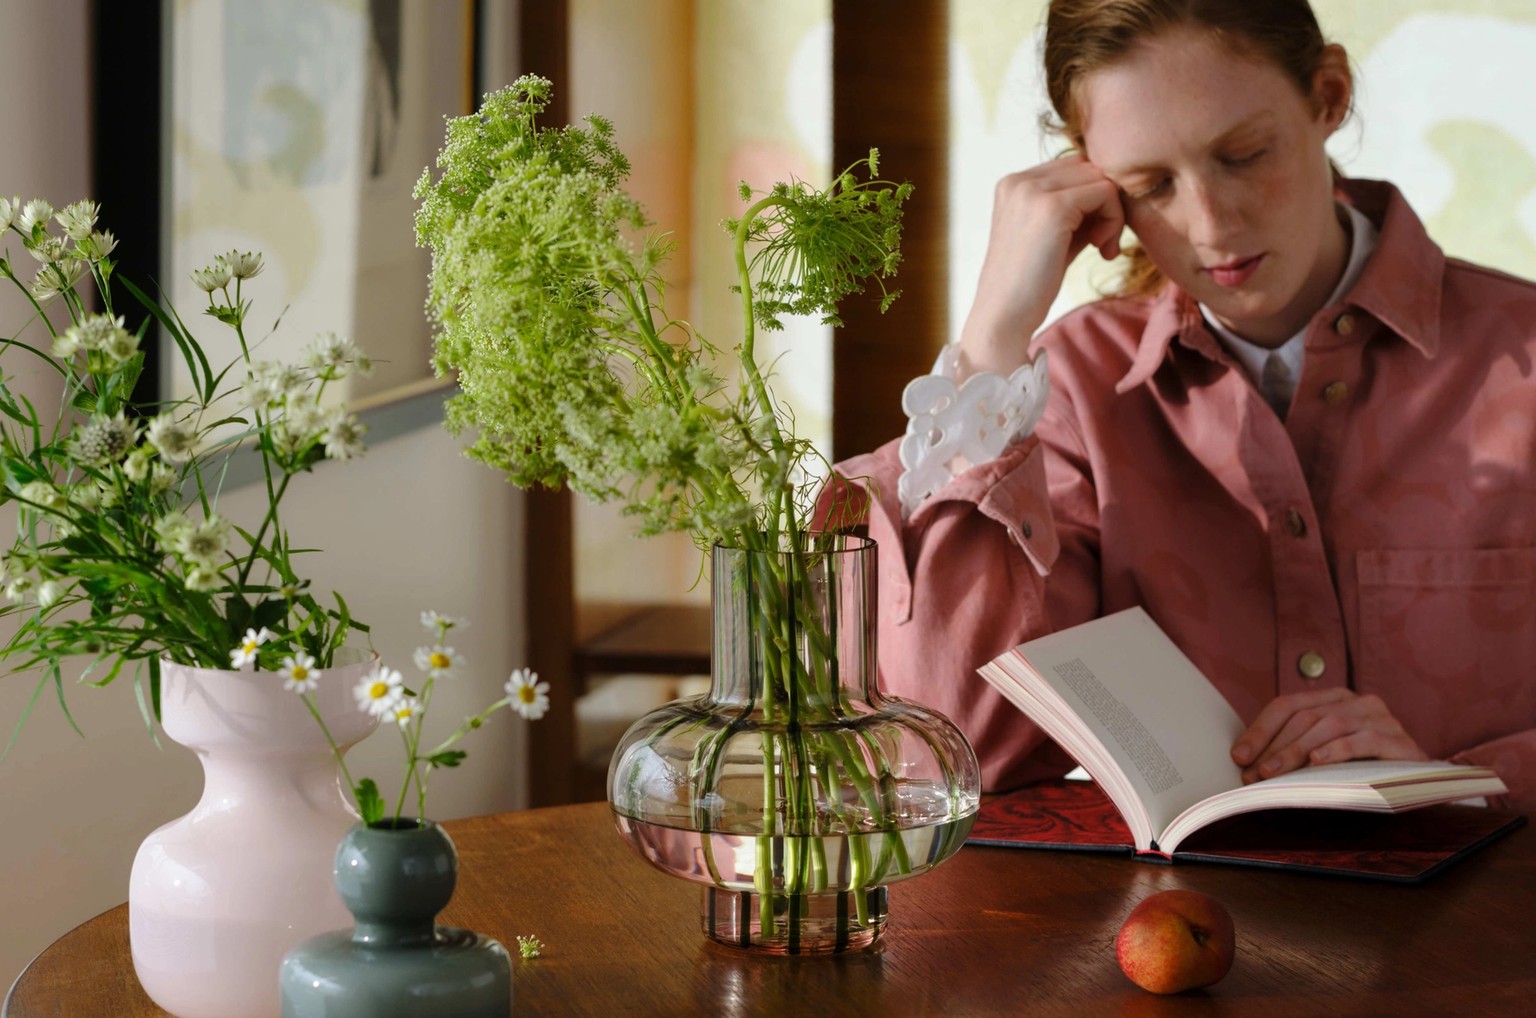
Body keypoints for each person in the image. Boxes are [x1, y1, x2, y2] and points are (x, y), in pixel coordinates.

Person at [829, 0, 1536, 811]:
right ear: (1092, 178)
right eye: (1151, 184)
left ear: (1329, 95)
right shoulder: (1068, 391)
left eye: (1244, 153)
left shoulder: (1525, 358)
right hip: (1171, 923)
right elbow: (957, 749)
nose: (1212, 222)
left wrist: (1456, 786)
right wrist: (991, 340)